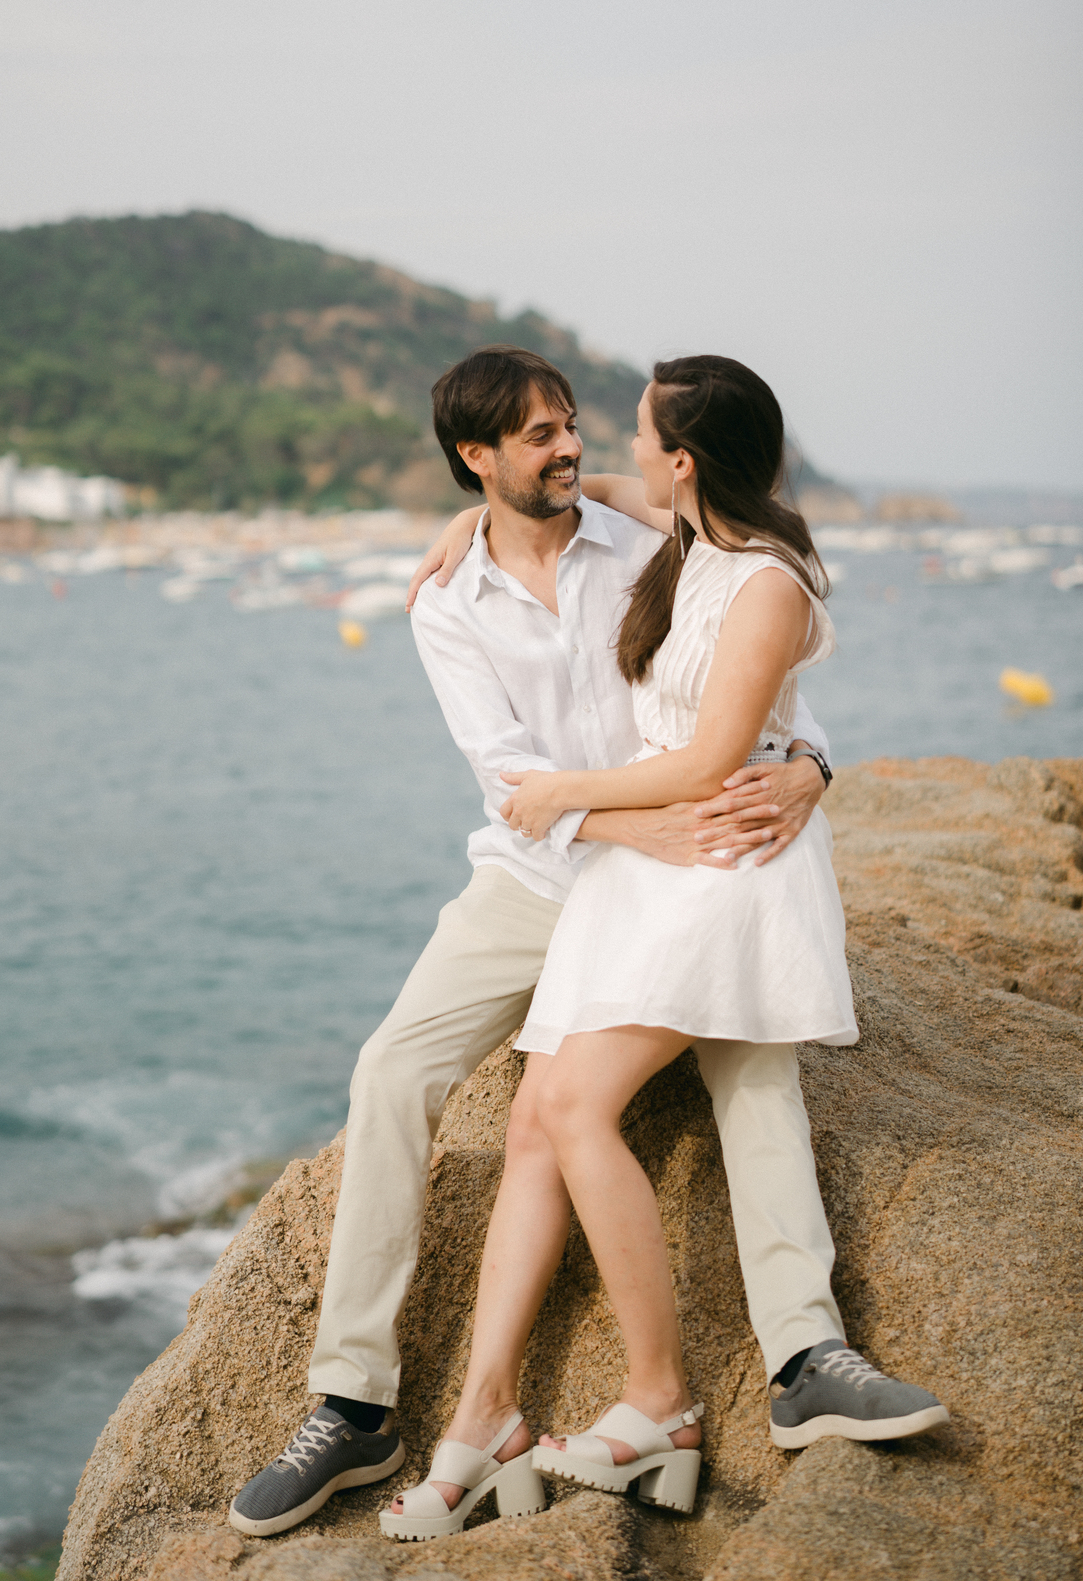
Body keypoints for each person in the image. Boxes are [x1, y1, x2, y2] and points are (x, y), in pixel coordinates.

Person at [228, 347, 939, 1543]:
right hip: (539, 877)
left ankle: (809, 1351)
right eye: (538, 437)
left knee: (752, 1060)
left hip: (668, 867)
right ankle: (353, 1404)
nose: (565, 449)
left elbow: (756, 670)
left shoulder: (647, 537)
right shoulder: (447, 602)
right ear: (475, 460)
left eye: (570, 427)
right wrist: (634, 822)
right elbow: (511, 784)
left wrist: (812, 768)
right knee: (391, 1069)